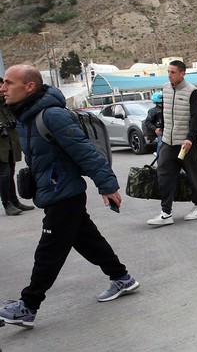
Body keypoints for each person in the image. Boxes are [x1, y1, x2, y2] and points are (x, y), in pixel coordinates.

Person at [0, 65, 139, 328]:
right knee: (88, 240)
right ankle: (122, 278)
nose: (2, 88)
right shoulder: (26, 115)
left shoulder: (51, 115)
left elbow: (84, 151)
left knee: (48, 252)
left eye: (8, 83)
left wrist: (107, 185)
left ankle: (28, 305)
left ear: (29, 86)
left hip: (63, 194)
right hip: (54, 191)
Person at [147, 60, 197, 225]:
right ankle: (166, 213)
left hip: (185, 143)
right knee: (164, 176)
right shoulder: (165, 88)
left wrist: (190, 138)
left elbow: (195, 117)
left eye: (173, 72)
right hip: (167, 141)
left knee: (193, 175)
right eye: (168, 72)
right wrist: (161, 132)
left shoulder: (192, 92)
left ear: (182, 73)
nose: (169, 75)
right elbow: (165, 112)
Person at [0, 77, 35, 215]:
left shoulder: (7, 105)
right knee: (4, 175)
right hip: (1, 147)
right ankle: (7, 204)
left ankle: (14, 201)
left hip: (10, 143)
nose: (2, 90)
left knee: (10, 173)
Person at [143, 91, 164, 156]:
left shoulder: (167, 109)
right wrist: (155, 129)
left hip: (168, 130)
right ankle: (159, 160)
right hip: (161, 131)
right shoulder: (153, 111)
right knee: (161, 146)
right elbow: (147, 122)